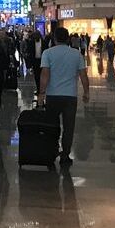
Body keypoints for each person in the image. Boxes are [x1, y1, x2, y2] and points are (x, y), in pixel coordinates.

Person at [37, 27, 89, 166]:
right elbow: (83, 75)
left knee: (52, 125)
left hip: (53, 95)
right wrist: (86, 92)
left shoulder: (48, 53)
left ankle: (52, 152)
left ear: (54, 38)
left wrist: (41, 93)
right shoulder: (76, 54)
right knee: (69, 127)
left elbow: (45, 75)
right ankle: (65, 155)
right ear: (68, 39)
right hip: (70, 96)